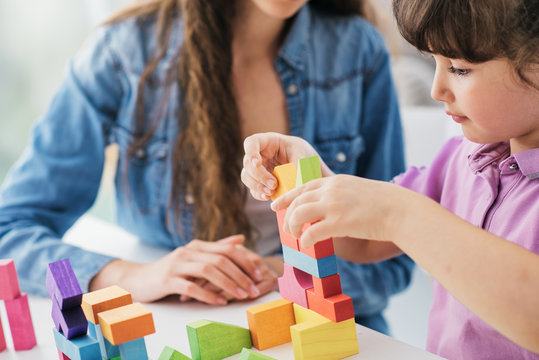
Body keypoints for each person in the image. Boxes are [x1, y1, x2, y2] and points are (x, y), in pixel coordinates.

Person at [0, 0, 413, 334]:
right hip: (177, 324)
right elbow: (10, 231)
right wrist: (133, 276)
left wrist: (292, 276)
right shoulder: (123, 52)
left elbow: (395, 257)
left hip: (330, 331)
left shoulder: (358, 50)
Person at [242, 0, 539, 357]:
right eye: (435, 63)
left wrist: (401, 215)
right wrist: (314, 184)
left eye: (460, 69)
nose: (436, 90)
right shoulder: (461, 159)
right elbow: (367, 241)